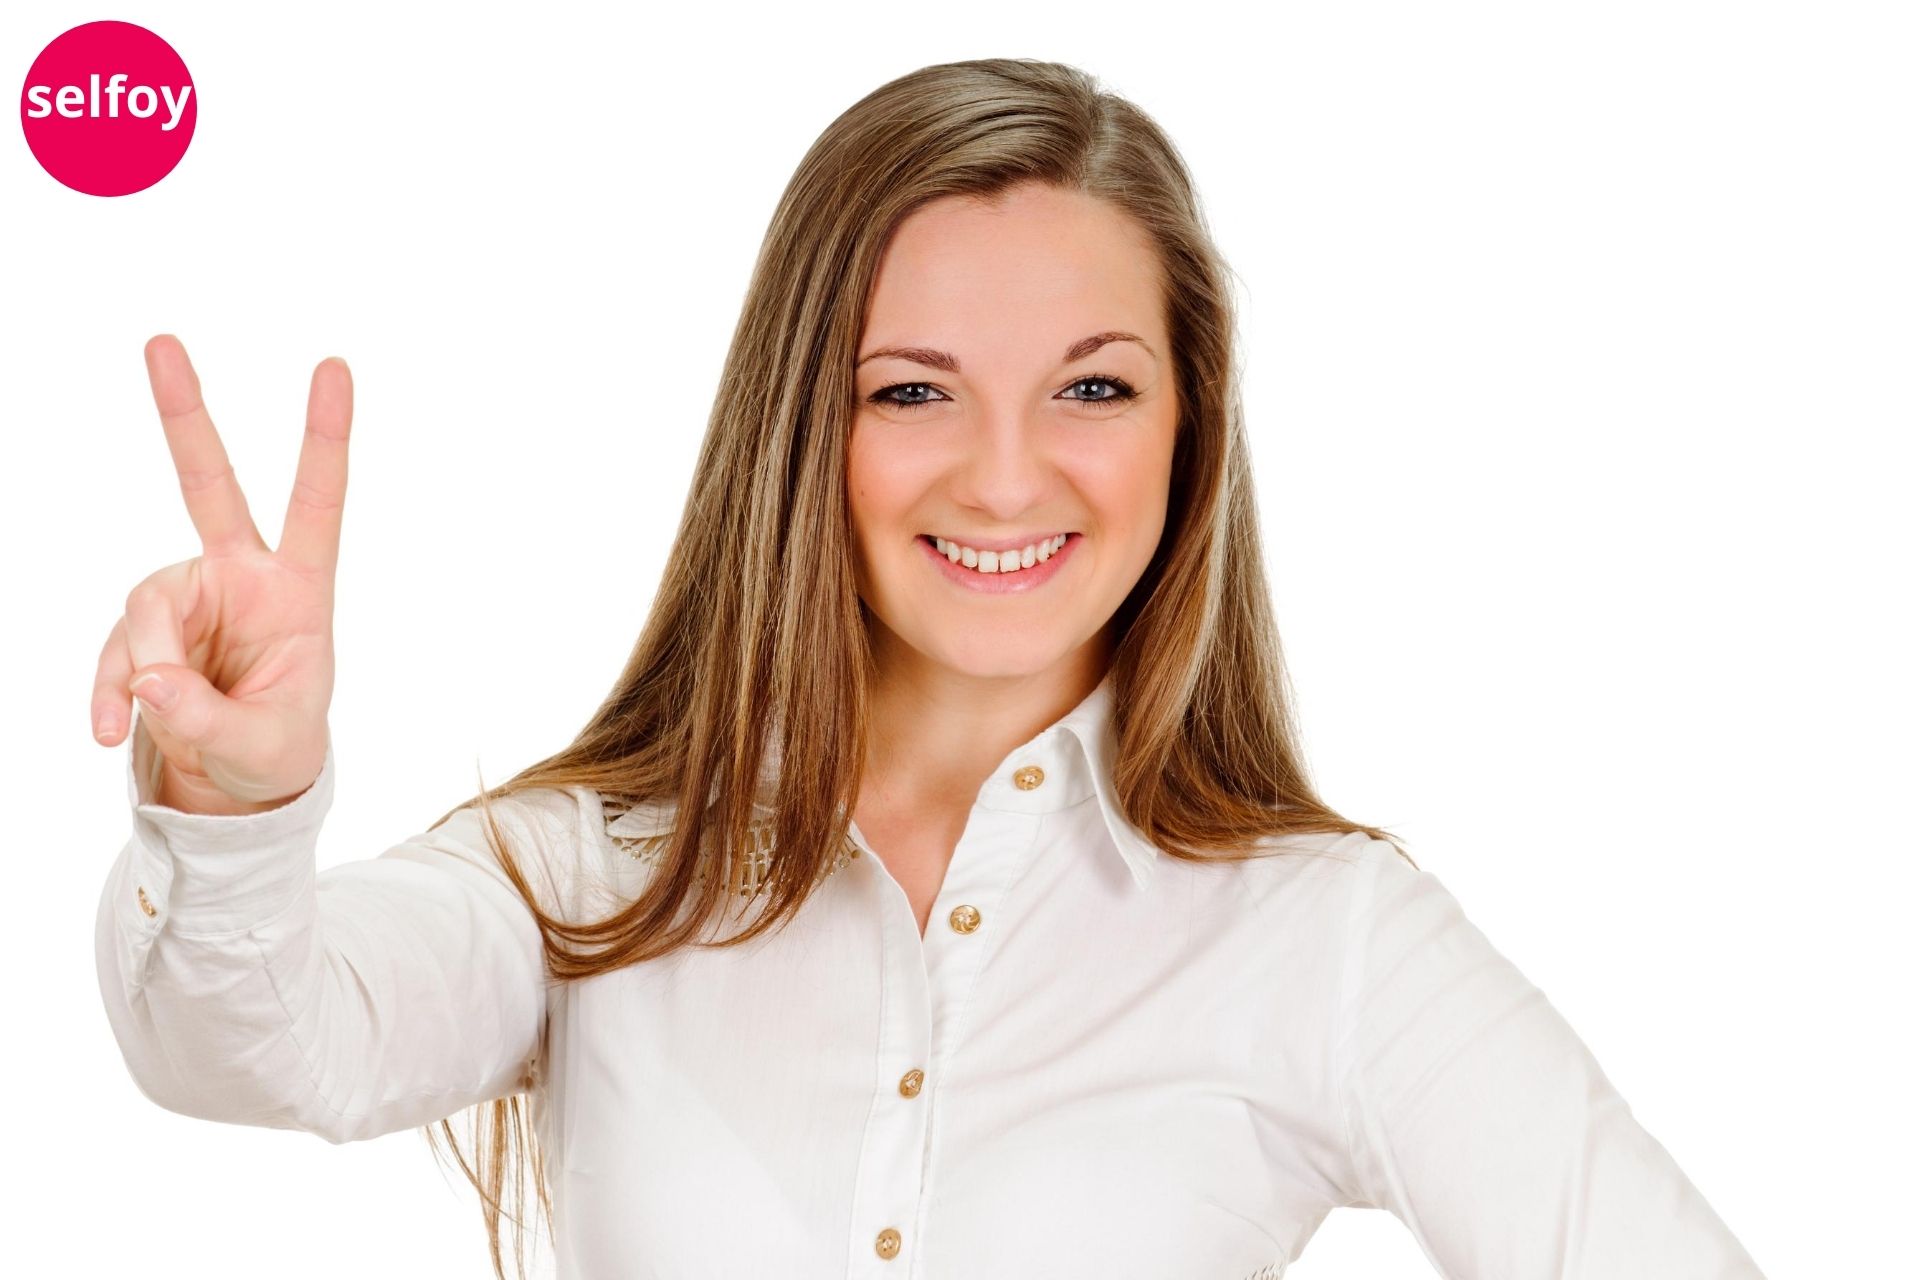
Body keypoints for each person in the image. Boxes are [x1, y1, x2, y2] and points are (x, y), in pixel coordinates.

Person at [91, 57, 1767, 1280]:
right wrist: (235, 804)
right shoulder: (595, 870)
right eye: (913, 391)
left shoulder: (1323, 935)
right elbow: (251, 1045)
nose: (1006, 475)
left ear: (1191, 430)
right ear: (800, 430)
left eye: (1094, 390)